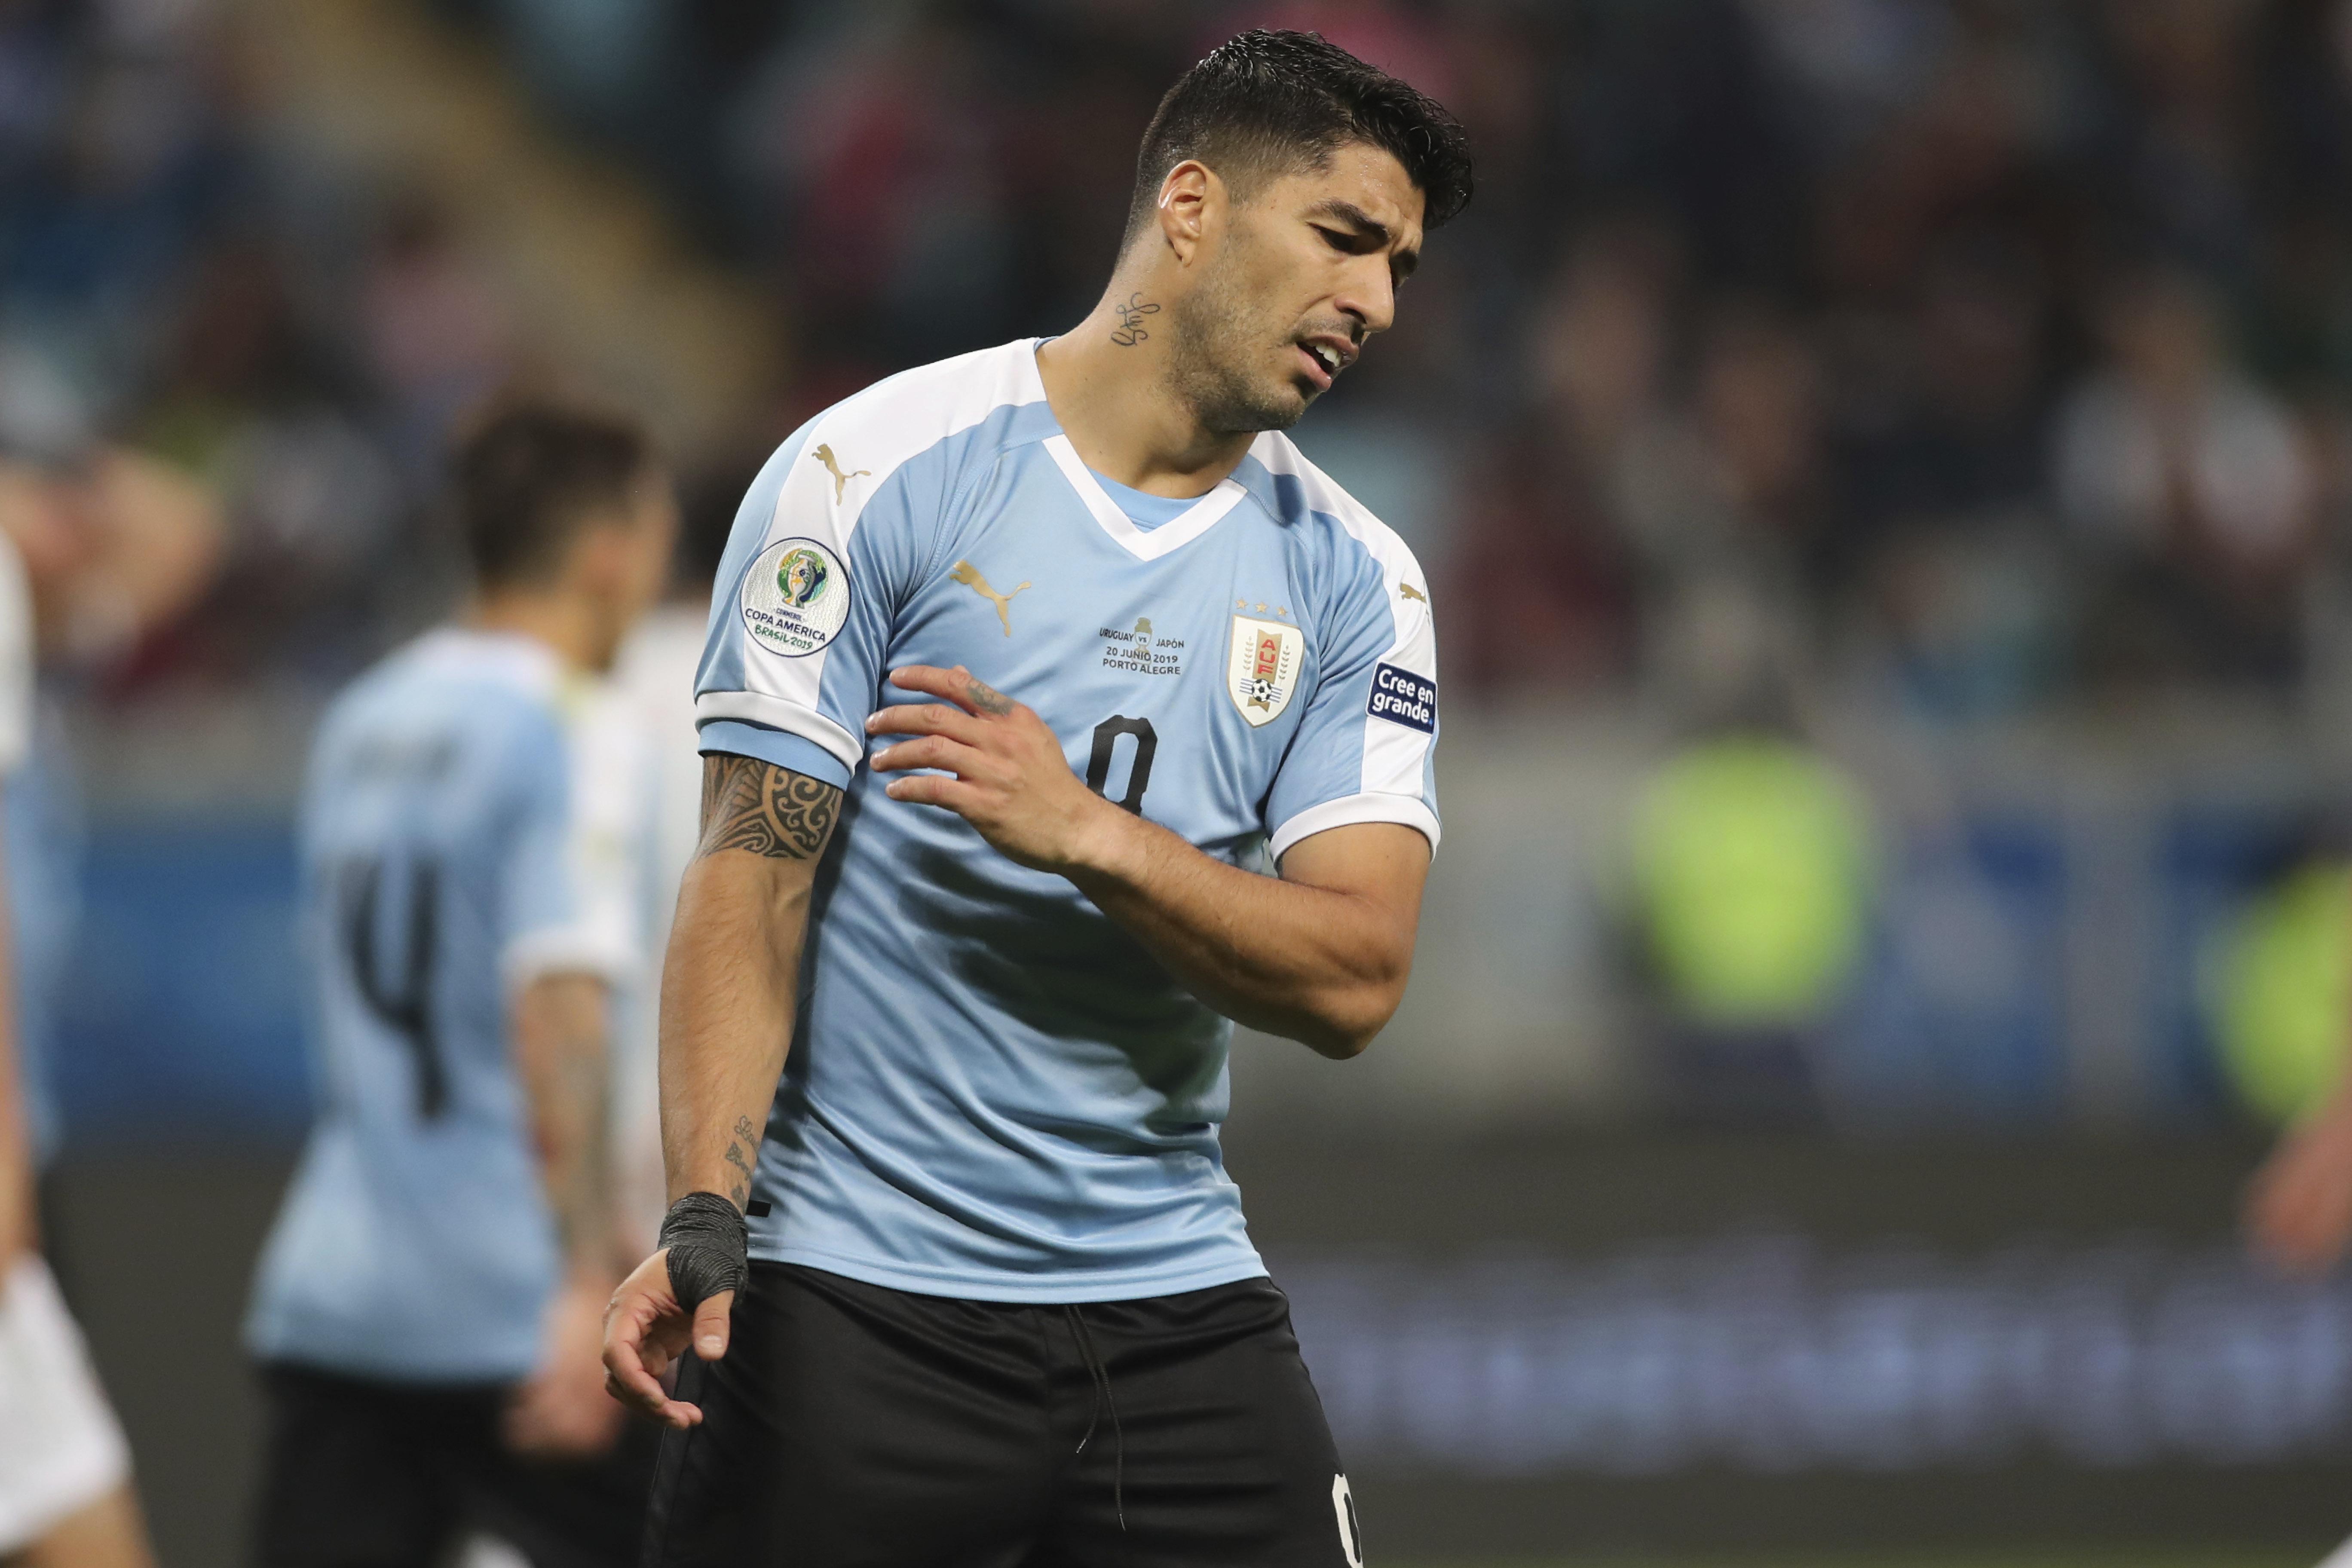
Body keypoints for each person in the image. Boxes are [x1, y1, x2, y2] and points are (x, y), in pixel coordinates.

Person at [603, 28, 1471, 1566]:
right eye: (1344, 237)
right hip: (857, 1297)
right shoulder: (870, 475)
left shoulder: (1360, 581)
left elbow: (1356, 977)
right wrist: (704, 1215)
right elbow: (752, 871)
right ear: (1190, 207)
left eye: (1397, 266)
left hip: (1172, 1302)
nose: (1377, 301)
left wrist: (1087, 834)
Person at [244, 403, 676, 1568]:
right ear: (607, 553)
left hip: (340, 1287)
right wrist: (585, 1277)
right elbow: (559, 1004)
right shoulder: (576, 725)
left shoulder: (362, 717)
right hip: (509, 1297)